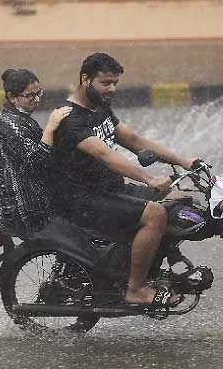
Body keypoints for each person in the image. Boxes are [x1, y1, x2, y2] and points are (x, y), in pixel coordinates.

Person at [52, 53, 198, 307]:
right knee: (155, 215)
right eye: (106, 83)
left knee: (178, 199)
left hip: (108, 189)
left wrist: (184, 161)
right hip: (82, 199)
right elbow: (106, 155)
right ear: (85, 79)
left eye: (115, 83)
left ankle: (159, 261)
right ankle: (136, 289)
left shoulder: (99, 107)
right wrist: (149, 179)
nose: (112, 89)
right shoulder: (70, 119)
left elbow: (133, 141)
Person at [0, 69, 72, 236]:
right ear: (12, 97)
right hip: (19, 207)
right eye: (30, 96)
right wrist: (50, 127)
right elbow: (35, 162)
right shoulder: (10, 126)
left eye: (39, 93)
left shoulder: (19, 117)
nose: (37, 99)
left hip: (27, 195)